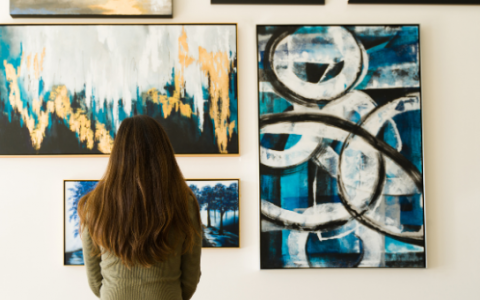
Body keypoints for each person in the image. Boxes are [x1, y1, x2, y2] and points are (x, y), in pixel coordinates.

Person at [78, 115, 202, 300]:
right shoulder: (185, 203)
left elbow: (95, 280)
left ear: (118, 152)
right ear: (163, 153)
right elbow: (190, 278)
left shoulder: (94, 203)